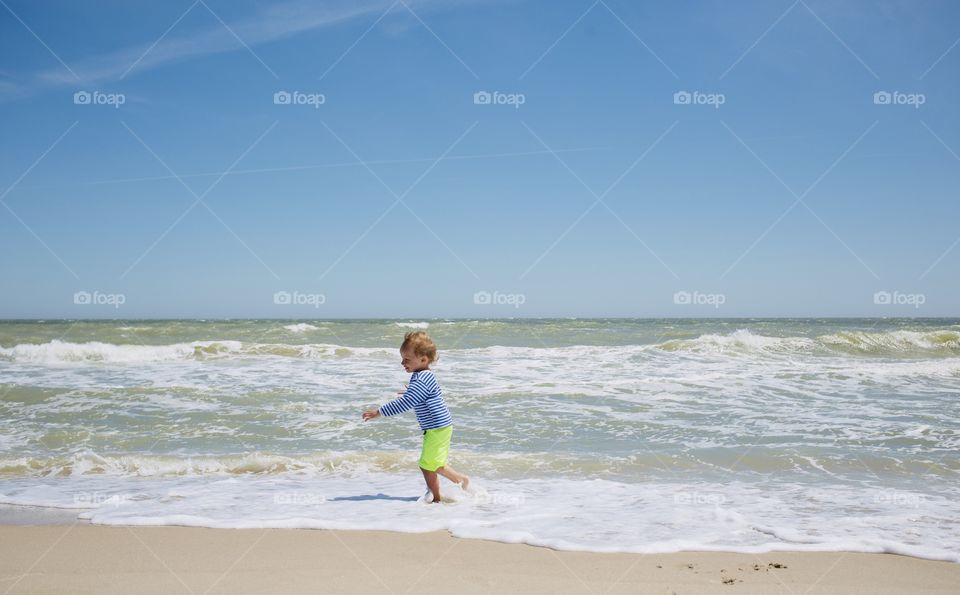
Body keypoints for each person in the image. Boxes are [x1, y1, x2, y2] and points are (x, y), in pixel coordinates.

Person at [362, 331, 469, 503]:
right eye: (402, 358)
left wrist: (379, 412)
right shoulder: (423, 376)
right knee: (434, 463)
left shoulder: (421, 378)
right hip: (439, 426)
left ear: (423, 360)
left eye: (407, 359)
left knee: (427, 465)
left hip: (436, 427)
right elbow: (423, 395)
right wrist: (412, 392)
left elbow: (407, 402)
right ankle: (460, 480)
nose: (402, 363)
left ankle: (435, 498)